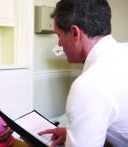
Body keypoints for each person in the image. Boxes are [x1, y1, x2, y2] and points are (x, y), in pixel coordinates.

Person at [37, 0, 128, 147]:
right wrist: (75, 133)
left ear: (75, 33)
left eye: (59, 35)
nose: (59, 44)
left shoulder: (88, 86)